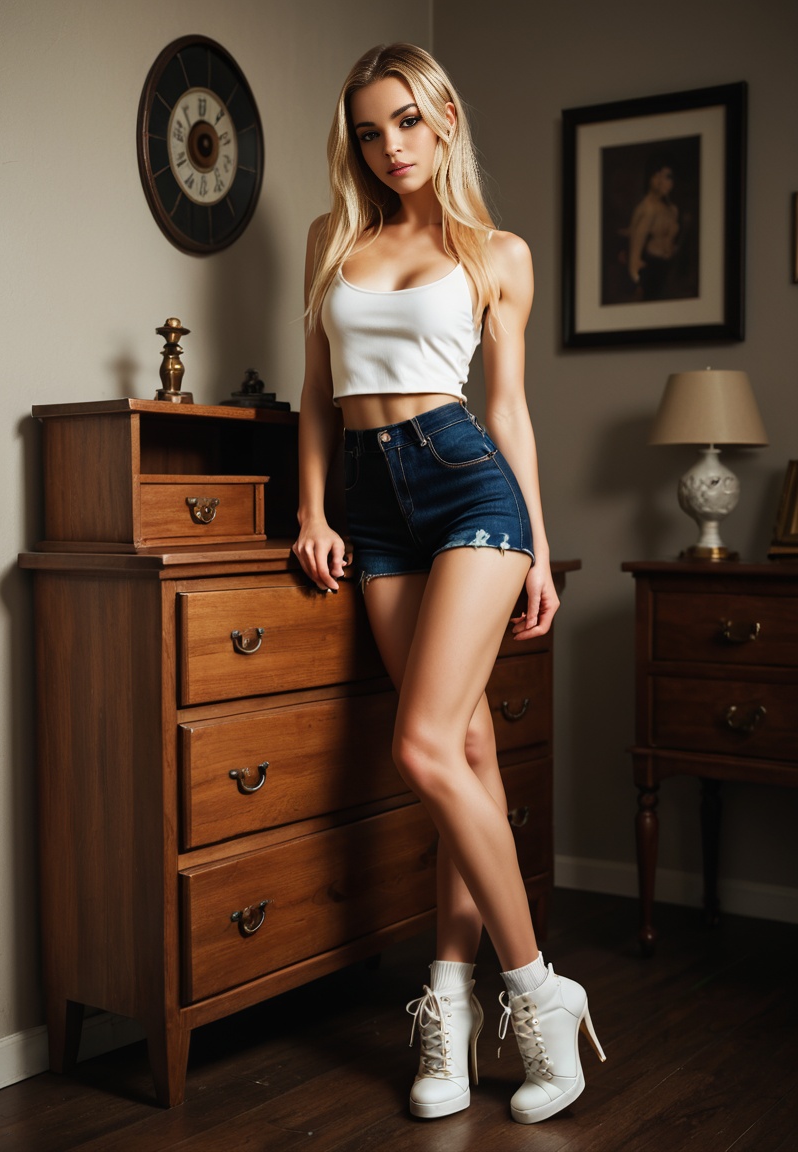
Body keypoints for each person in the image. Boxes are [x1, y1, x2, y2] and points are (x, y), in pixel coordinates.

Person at [292, 42, 605, 1126]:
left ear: (446, 119)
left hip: (467, 485)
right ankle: (450, 1003)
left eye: (408, 122)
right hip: (372, 505)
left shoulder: (497, 253)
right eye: (370, 131)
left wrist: (538, 545)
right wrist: (313, 512)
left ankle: (539, 993)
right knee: (463, 755)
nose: (391, 147)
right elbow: (316, 393)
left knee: (421, 747)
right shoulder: (331, 239)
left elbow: (509, 407)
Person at [625, 154, 681, 300]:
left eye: (668, 177)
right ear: (650, 178)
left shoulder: (672, 209)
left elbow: (671, 241)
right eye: (657, 176)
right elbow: (635, 257)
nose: (662, 182)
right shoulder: (648, 208)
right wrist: (638, 280)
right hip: (652, 269)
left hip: (669, 267)